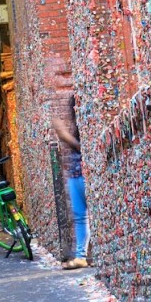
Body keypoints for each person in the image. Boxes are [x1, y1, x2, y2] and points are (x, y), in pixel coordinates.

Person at [53, 94, 89, 269]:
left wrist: (64, 135)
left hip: (83, 174)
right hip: (76, 174)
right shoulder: (78, 126)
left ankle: (84, 255)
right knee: (80, 216)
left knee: (83, 216)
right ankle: (81, 256)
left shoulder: (86, 126)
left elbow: (83, 148)